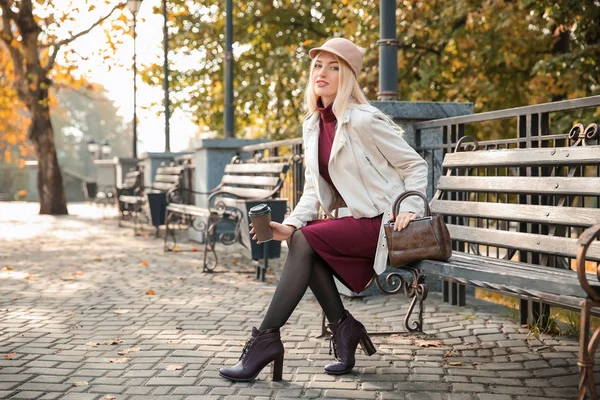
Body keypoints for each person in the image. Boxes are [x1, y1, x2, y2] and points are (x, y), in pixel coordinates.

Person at [219, 37, 428, 382]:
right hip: (356, 223)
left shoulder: (363, 119)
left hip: (384, 224)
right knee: (302, 241)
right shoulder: (313, 125)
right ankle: (341, 328)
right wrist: (291, 224)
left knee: (304, 242)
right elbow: (313, 189)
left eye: (334, 67)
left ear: (347, 77)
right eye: (318, 65)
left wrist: (411, 208)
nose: (323, 73)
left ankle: (267, 340)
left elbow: (415, 166)